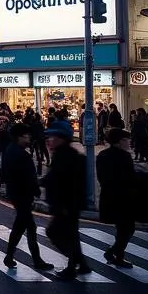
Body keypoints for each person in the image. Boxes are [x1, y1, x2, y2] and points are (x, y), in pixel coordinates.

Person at [1, 124, 54, 271]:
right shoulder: (21, 154)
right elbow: (27, 176)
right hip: (23, 194)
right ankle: (36, 260)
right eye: (26, 136)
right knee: (29, 227)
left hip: (16, 193)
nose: (29, 138)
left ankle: (10, 256)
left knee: (21, 227)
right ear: (19, 137)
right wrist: (35, 189)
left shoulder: (10, 150)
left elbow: (5, 172)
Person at [42, 120, 90, 281]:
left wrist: (62, 204)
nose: (49, 140)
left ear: (61, 138)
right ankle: (81, 264)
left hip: (66, 204)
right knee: (72, 234)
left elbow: (63, 181)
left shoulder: (65, 156)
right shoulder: (65, 154)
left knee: (54, 232)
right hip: (69, 204)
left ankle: (73, 263)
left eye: (52, 136)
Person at [96, 126, 137, 268]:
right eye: (126, 140)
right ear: (119, 141)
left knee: (122, 228)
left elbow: (101, 178)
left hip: (108, 197)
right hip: (123, 198)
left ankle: (117, 255)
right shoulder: (124, 157)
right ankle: (115, 253)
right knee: (127, 228)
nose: (128, 143)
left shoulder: (102, 155)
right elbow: (130, 178)